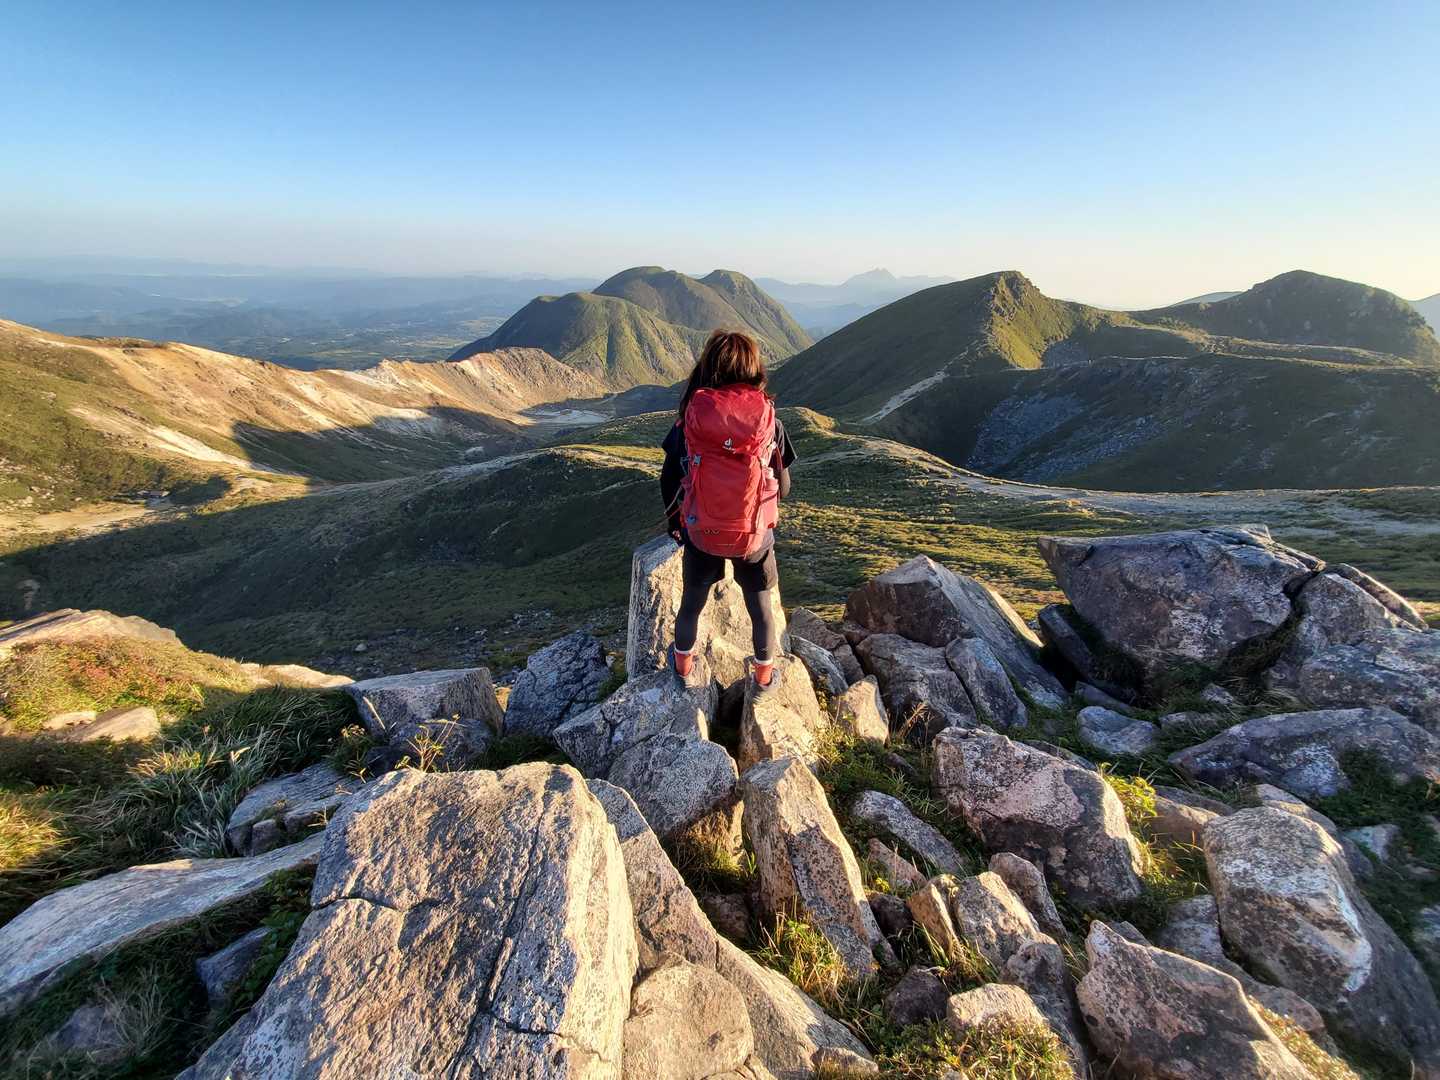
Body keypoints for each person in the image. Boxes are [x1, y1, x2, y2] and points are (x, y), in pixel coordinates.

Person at [660, 329, 796, 687]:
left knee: (691, 604)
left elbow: (668, 478)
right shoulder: (770, 423)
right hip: (753, 535)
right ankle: (764, 680)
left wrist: (676, 523)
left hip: (700, 530)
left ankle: (684, 670)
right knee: (760, 609)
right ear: (754, 369)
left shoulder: (690, 419)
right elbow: (783, 487)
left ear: (707, 368)